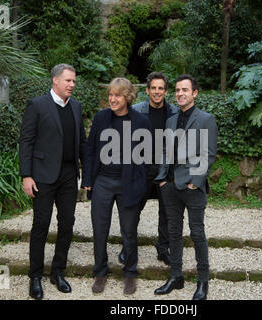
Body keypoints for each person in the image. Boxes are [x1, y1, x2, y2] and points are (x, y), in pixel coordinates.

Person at [19, 63, 87, 300]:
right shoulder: (37, 105)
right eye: (68, 81)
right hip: (43, 177)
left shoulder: (76, 107)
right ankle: (35, 275)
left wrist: (86, 175)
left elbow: (82, 143)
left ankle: (57, 272)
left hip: (69, 176)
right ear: (55, 81)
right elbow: (26, 141)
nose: (72, 85)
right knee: (41, 225)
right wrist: (26, 175)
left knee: (67, 224)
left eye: (74, 81)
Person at [81, 77, 151, 295]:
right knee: (99, 230)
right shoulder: (101, 118)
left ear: (127, 97)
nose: (112, 99)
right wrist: (88, 180)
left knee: (129, 231)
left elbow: (147, 158)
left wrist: (141, 186)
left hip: (128, 184)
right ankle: (100, 271)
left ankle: (130, 273)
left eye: (117, 95)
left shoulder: (140, 121)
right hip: (102, 181)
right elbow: (90, 149)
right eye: (110, 95)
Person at [153, 74, 217, 300]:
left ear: (195, 93)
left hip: (192, 187)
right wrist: (162, 179)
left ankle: (202, 282)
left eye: (185, 90)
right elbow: (164, 151)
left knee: (197, 233)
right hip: (169, 186)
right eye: (178, 90)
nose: (180, 94)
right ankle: (176, 276)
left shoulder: (205, 119)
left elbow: (208, 155)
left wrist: (195, 182)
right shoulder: (170, 120)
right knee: (173, 234)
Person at [118, 72, 179, 267]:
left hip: (166, 168)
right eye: (153, 88)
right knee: (134, 209)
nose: (157, 91)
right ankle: (127, 248)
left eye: (161, 88)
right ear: (147, 90)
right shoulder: (135, 110)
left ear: (166, 91)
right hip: (141, 168)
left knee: (167, 211)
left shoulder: (175, 113)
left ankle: (163, 249)